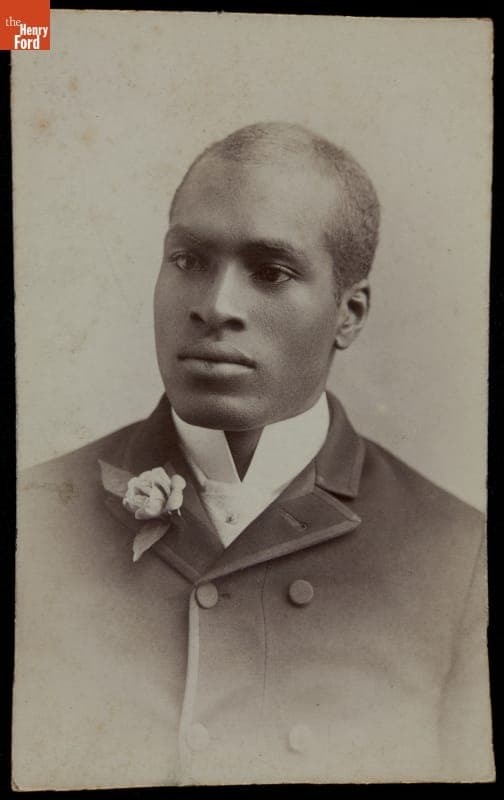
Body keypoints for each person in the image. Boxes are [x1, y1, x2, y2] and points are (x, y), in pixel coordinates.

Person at [13, 122, 494, 789]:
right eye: (188, 260)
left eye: (269, 272)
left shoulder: (457, 555)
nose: (214, 306)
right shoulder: (35, 518)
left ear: (348, 314)